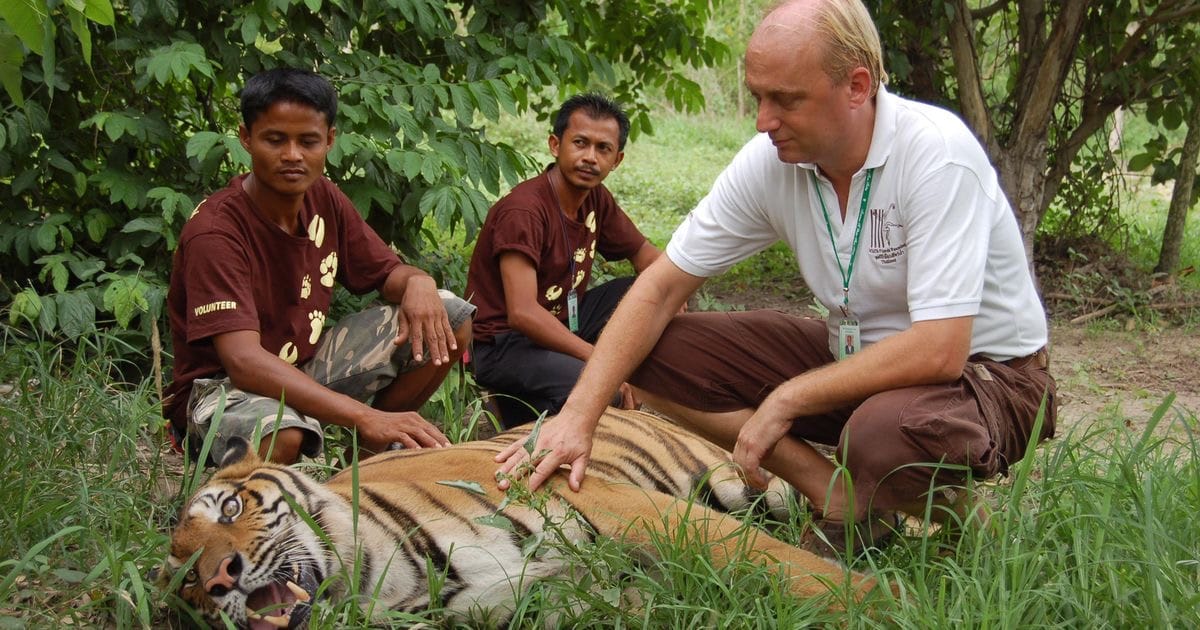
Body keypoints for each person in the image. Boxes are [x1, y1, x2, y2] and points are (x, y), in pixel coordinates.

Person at [497, 0, 1056, 557]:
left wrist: (787, 398)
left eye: (785, 100)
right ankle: (841, 500)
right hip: (859, 356)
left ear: (857, 87)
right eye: (758, 95)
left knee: (880, 434)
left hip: (988, 377)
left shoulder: (935, 153)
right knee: (643, 349)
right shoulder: (772, 159)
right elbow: (662, 285)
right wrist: (577, 418)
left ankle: (946, 505)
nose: (763, 121)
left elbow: (940, 350)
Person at [163, 68, 475, 466]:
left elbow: (386, 273)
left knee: (450, 316)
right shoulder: (216, 232)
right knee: (284, 436)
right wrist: (365, 415)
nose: (292, 155)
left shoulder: (322, 196)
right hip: (222, 390)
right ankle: (258, 498)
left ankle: (363, 465)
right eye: (275, 140)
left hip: (300, 364)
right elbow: (242, 362)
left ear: (328, 140)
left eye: (307, 141)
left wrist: (419, 280)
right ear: (246, 139)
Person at [465, 93, 662, 427]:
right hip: (504, 344)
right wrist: (603, 362)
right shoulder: (524, 211)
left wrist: (674, 294)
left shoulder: (595, 197)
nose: (590, 158)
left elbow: (647, 257)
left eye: (603, 149)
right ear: (556, 145)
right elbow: (523, 314)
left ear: (617, 159)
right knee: (601, 391)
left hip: (562, 321)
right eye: (580, 143)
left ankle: (636, 389)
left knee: (655, 294)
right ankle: (517, 407)